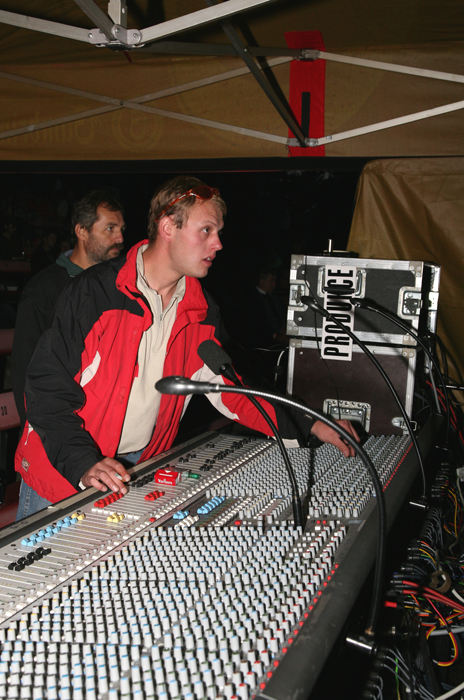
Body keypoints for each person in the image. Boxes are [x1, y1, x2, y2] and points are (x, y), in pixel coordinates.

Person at [14, 176, 359, 519]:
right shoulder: (95, 292)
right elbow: (46, 387)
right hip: (64, 471)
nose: (218, 243)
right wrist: (82, 461)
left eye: (218, 232)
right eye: (206, 230)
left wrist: (311, 422)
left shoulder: (201, 311)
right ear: (167, 227)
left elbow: (235, 390)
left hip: (136, 469)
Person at [12, 190, 125, 431]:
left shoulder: (120, 287)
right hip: (63, 429)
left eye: (121, 229)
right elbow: (25, 372)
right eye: (110, 229)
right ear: (81, 231)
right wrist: (38, 434)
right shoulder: (44, 289)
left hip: (110, 425)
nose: (120, 238)